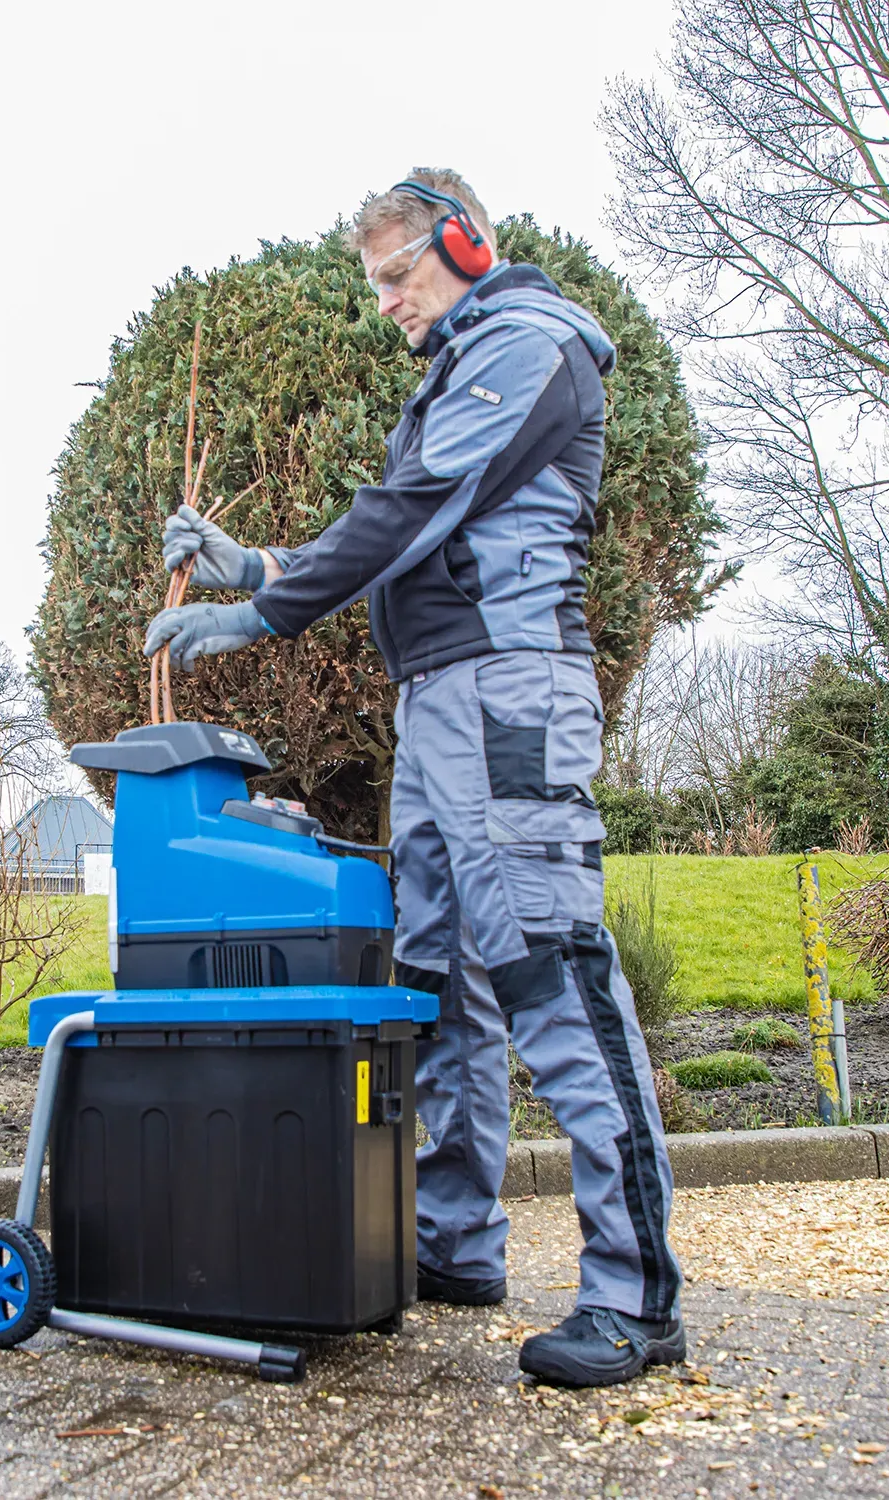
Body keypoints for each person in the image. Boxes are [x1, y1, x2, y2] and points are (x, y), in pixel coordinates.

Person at [143, 169, 684, 1389]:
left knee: (548, 966)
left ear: (467, 242)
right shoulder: (458, 367)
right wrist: (257, 558)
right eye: (377, 282)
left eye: (401, 273)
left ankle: (637, 1297)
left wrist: (263, 607)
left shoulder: (529, 343)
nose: (387, 300)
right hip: (442, 700)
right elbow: (415, 534)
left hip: (508, 695)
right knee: (439, 981)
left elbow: (415, 505)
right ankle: (455, 1243)